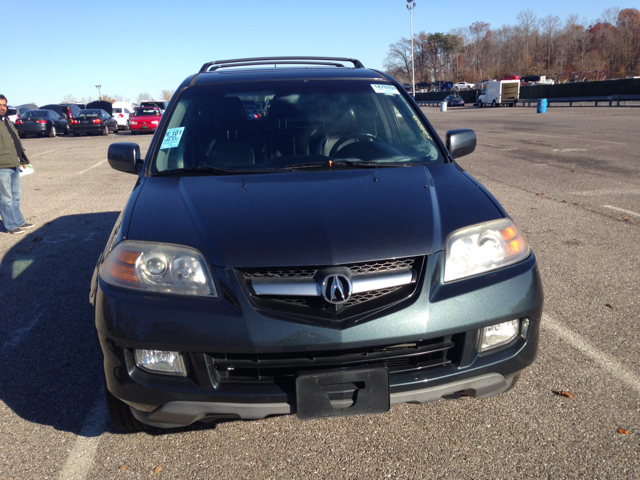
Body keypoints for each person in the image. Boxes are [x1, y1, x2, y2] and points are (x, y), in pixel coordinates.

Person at [0, 94, 34, 235]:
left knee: (16, 195)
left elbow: (16, 142)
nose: (2, 108)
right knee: (5, 197)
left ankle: (19, 221)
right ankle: (11, 225)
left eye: (4, 105)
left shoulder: (6, 121)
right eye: (0, 105)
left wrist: (23, 160)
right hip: (2, 165)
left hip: (14, 163)